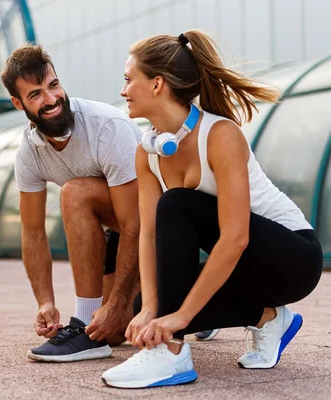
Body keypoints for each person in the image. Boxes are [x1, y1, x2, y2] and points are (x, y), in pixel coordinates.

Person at [101, 30, 323, 388]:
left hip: (293, 259)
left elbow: (235, 238)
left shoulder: (220, 135)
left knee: (177, 204)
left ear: (157, 84)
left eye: (129, 80)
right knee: (150, 301)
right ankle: (267, 317)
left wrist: (180, 317)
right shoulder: (149, 152)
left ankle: (170, 354)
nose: (124, 90)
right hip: (243, 268)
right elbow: (150, 233)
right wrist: (150, 309)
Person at [0, 43, 143, 362]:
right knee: (113, 332)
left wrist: (115, 303)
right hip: (118, 232)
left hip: (157, 224)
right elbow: (33, 231)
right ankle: (157, 308)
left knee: (75, 192)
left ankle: (82, 324)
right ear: (17, 102)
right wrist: (45, 302)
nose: (50, 99)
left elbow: (136, 222)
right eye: (35, 94)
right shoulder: (29, 153)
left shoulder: (106, 127)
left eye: (53, 86)